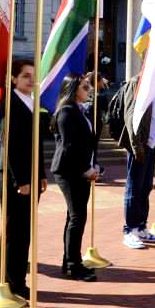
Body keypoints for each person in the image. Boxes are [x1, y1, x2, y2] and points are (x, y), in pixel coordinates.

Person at [0, 59, 46, 300]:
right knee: (14, 231)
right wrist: (21, 180)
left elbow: (36, 145)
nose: (31, 80)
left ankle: (18, 279)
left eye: (33, 76)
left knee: (24, 231)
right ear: (13, 79)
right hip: (14, 178)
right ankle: (7, 282)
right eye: (25, 75)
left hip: (30, 177)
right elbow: (11, 145)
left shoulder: (32, 102)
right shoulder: (10, 103)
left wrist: (41, 175)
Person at [51, 74, 100, 282]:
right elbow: (69, 146)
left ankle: (70, 261)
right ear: (72, 89)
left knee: (75, 217)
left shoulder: (79, 110)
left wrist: (94, 165)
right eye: (84, 87)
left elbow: (86, 143)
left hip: (80, 170)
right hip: (69, 171)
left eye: (88, 86)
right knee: (77, 217)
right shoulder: (66, 112)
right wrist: (85, 169)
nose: (88, 90)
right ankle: (73, 265)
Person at [117, 78, 155, 250]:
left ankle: (141, 226)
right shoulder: (137, 83)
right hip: (140, 145)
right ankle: (130, 230)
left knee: (145, 187)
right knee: (134, 188)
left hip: (151, 144)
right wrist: (137, 147)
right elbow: (131, 116)